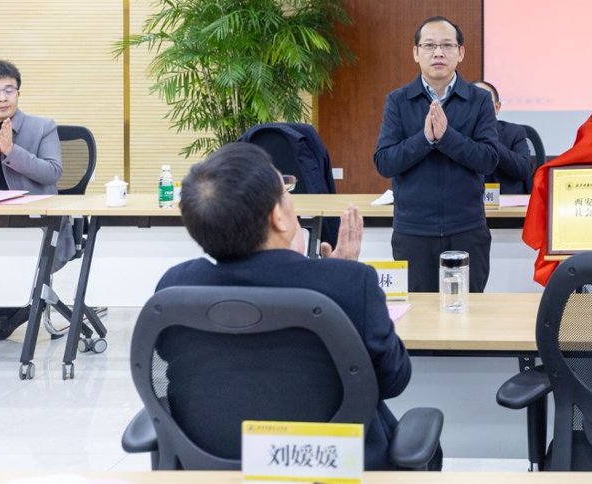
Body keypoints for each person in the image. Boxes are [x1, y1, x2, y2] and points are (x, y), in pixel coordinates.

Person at [157, 143, 412, 470]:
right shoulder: (350, 284)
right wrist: (339, 277)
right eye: (286, 190)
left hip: (211, 466)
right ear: (277, 215)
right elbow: (393, 379)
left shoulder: (175, 289)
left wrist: (332, 276)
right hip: (331, 466)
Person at [374, 16, 499, 293]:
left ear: (460, 52)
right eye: (429, 45)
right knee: (418, 313)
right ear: (416, 52)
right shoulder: (398, 100)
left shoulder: (479, 100)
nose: (438, 53)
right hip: (413, 232)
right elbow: (385, 162)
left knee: (468, 311)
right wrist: (425, 139)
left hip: (467, 229)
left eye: (447, 45)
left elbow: (489, 159)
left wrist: (447, 137)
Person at [0, 59, 62, 343]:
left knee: (6, 249)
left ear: (18, 94)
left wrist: (12, 152)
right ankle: (4, 306)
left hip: (37, 224)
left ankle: (9, 308)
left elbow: (52, 171)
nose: (2, 97)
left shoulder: (43, 127)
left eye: (9, 90)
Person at [472, 80, 534, 195]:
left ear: (497, 107)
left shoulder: (514, 132)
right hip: (466, 201)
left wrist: (489, 141)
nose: (478, 108)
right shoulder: (456, 135)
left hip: (507, 202)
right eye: (472, 102)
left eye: (484, 102)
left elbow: (524, 170)